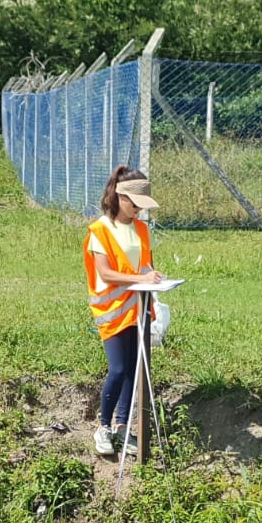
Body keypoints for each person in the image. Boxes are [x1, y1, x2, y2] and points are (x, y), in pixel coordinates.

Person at [84, 166, 165, 458]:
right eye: (135, 204)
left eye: (143, 206)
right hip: (112, 311)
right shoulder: (100, 230)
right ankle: (103, 427)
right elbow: (106, 274)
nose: (139, 211)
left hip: (138, 309)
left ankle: (122, 426)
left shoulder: (142, 229)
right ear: (120, 197)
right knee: (118, 369)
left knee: (133, 370)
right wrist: (141, 279)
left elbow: (145, 266)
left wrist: (153, 276)